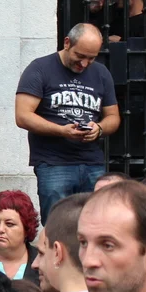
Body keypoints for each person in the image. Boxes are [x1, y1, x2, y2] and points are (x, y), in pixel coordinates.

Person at [14, 23, 120, 219]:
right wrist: (62, 131)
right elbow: (22, 115)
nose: (84, 64)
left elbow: (113, 117)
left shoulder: (101, 73)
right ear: (66, 43)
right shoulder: (40, 68)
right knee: (58, 224)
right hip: (53, 162)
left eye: (91, 58)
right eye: (80, 56)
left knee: (98, 221)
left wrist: (99, 128)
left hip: (92, 161)